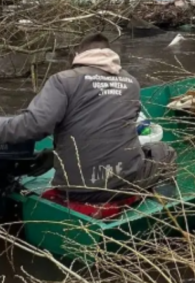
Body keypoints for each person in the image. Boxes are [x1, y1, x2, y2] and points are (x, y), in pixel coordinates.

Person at [0, 33, 176, 204]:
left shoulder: (63, 80)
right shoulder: (131, 83)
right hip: (123, 186)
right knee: (163, 150)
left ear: (78, 55)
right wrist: (53, 155)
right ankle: (165, 205)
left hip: (74, 190)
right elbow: (112, 130)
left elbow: (34, 125)